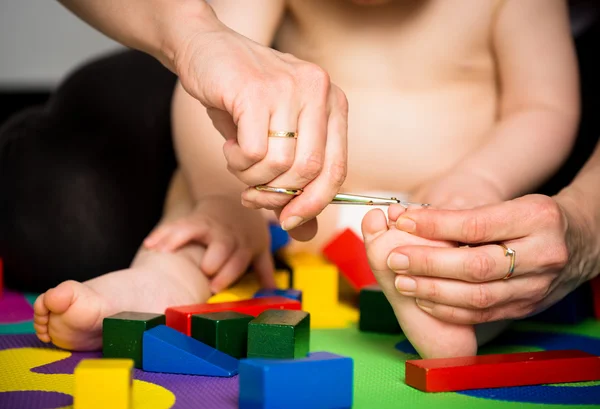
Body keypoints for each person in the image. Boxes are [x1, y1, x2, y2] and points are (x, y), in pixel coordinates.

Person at [0, 0, 579, 358]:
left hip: (430, 210)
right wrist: (217, 196)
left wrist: (481, 177)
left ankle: (457, 323)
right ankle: (153, 286)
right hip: (288, 208)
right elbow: (209, 83)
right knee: (201, 212)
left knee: (481, 259)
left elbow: (545, 107)